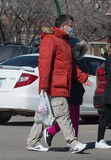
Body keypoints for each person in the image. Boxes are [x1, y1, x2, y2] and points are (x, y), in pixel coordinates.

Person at [26, 14, 92, 154]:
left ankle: (32, 142)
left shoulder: (64, 42)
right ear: (63, 25)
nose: (72, 29)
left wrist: (82, 77)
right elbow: (44, 63)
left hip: (59, 84)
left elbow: (71, 65)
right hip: (55, 85)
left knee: (43, 116)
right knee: (63, 115)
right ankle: (73, 143)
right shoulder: (50, 40)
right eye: (71, 26)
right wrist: (43, 85)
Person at [42, 37, 88, 147]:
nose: (78, 52)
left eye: (80, 50)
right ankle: (51, 130)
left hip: (77, 92)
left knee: (75, 118)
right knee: (68, 118)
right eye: (76, 49)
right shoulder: (66, 62)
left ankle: (75, 140)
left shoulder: (79, 61)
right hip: (69, 91)